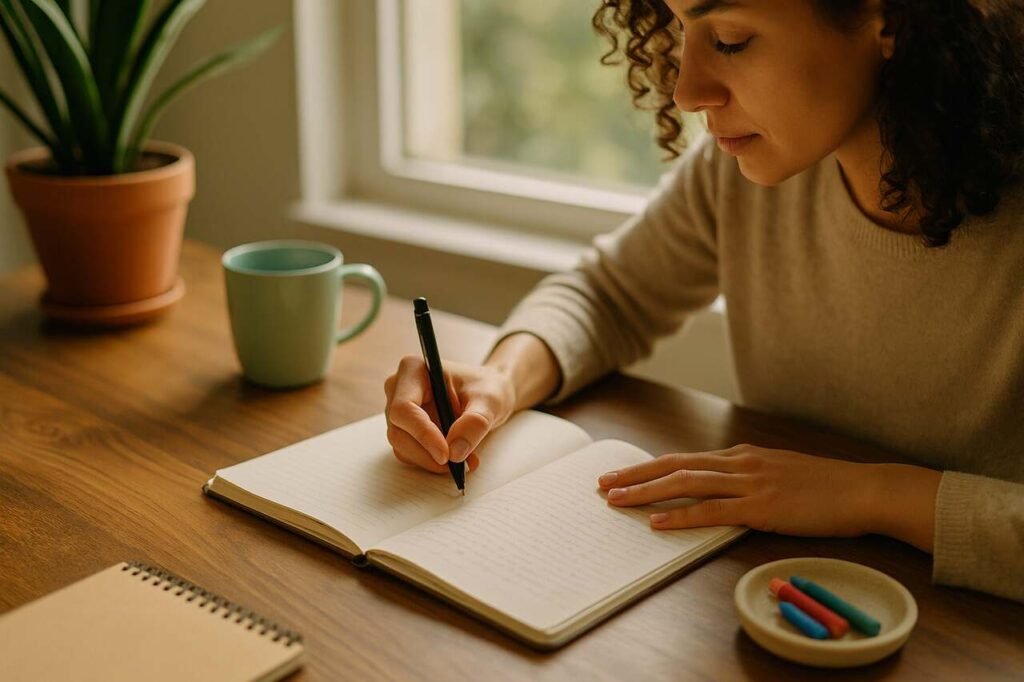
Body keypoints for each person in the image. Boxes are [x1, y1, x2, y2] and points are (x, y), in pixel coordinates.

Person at [383, 0, 1024, 602]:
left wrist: (869, 494)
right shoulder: (746, 171)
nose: (686, 92)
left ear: (890, 18)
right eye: (678, 27)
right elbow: (610, 295)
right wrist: (499, 378)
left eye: (730, 40)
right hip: (770, 593)